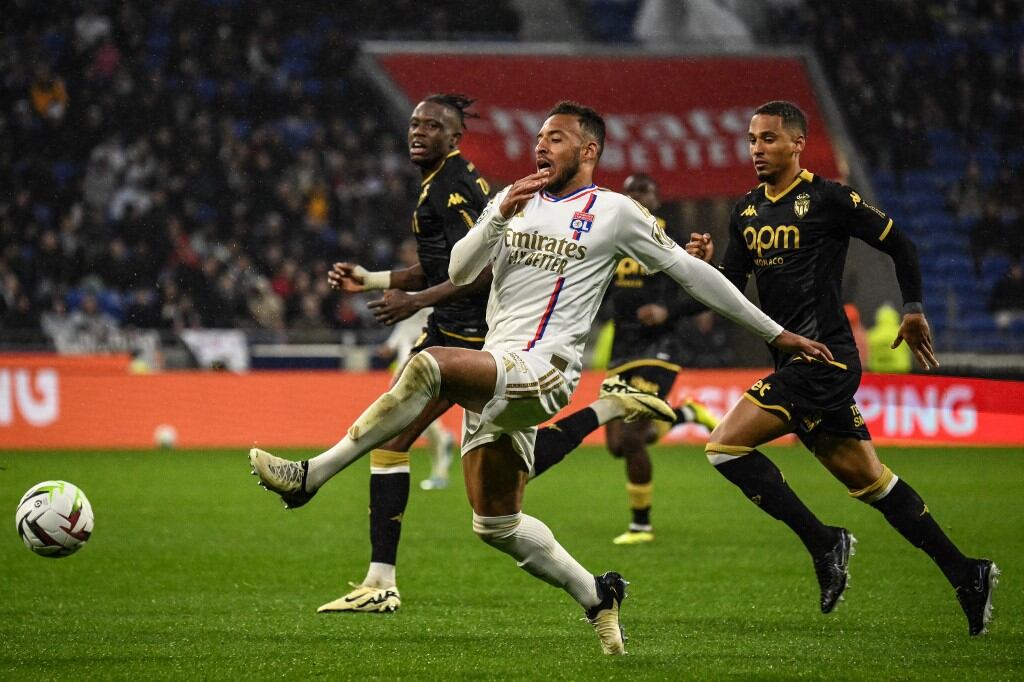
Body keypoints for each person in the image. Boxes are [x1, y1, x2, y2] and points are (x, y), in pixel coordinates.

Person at [250, 100, 830, 655]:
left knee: (430, 365)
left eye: (556, 137)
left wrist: (775, 333)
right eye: (538, 137)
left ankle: (312, 475)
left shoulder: (615, 212)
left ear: (589, 148)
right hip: (498, 370)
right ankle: (597, 595)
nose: (541, 146)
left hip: (544, 369)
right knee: (495, 522)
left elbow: (691, 276)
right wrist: (498, 214)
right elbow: (460, 269)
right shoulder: (513, 199)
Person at [313, 95, 676, 616]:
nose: (419, 132)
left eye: (432, 125)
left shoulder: (456, 187)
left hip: (473, 334)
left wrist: (416, 301)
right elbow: (444, 263)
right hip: (483, 334)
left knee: (397, 434)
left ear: (455, 137)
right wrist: (373, 279)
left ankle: (364, 554)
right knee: (495, 511)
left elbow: (474, 272)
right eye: (414, 123)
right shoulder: (450, 187)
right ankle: (603, 422)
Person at [686, 100, 998, 636]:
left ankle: (824, 541)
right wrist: (703, 264)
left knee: (724, 446)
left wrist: (915, 308)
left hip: (825, 358)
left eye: (768, 139)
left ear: (797, 143)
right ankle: (967, 572)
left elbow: (901, 243)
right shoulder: (745, 211)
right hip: (793, 359)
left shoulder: (829, 199)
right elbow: (731, 289)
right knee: (872, 482)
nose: (757, 149)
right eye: (752, 140)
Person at [532, 173, 720, 546]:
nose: (635, 196)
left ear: (656, 197)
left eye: (643, 191)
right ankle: (686, 414)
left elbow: (704, 294)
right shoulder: (610, 237)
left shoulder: (669, 241)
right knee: (616, 445)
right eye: (630, 191)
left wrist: (667, 311)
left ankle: (641, 526)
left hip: (659, 349)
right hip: (622, 349)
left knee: (633, 437)